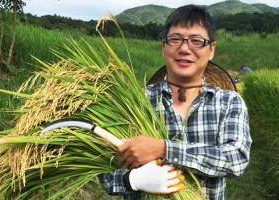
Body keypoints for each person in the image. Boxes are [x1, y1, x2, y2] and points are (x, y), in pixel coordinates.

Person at [98, 5, 252, 200]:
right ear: (163, 46)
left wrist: (163, 148)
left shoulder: (229, 102)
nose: (185, 48)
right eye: (175, 39)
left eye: (196, 41)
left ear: (211, 49)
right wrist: (133, 180)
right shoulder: (135, 103)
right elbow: (106, 173)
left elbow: (236, 160)